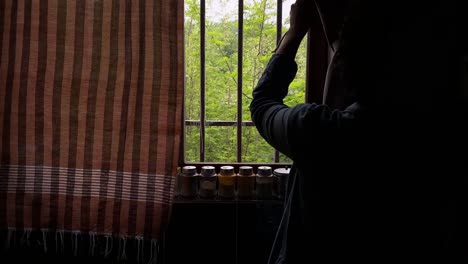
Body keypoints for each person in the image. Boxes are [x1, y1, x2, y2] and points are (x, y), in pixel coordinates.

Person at [250, 0, 467, 263]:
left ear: (350, 66)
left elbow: (263, 103)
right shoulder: (441, 135)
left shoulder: (323, 133)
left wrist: (294, 33)